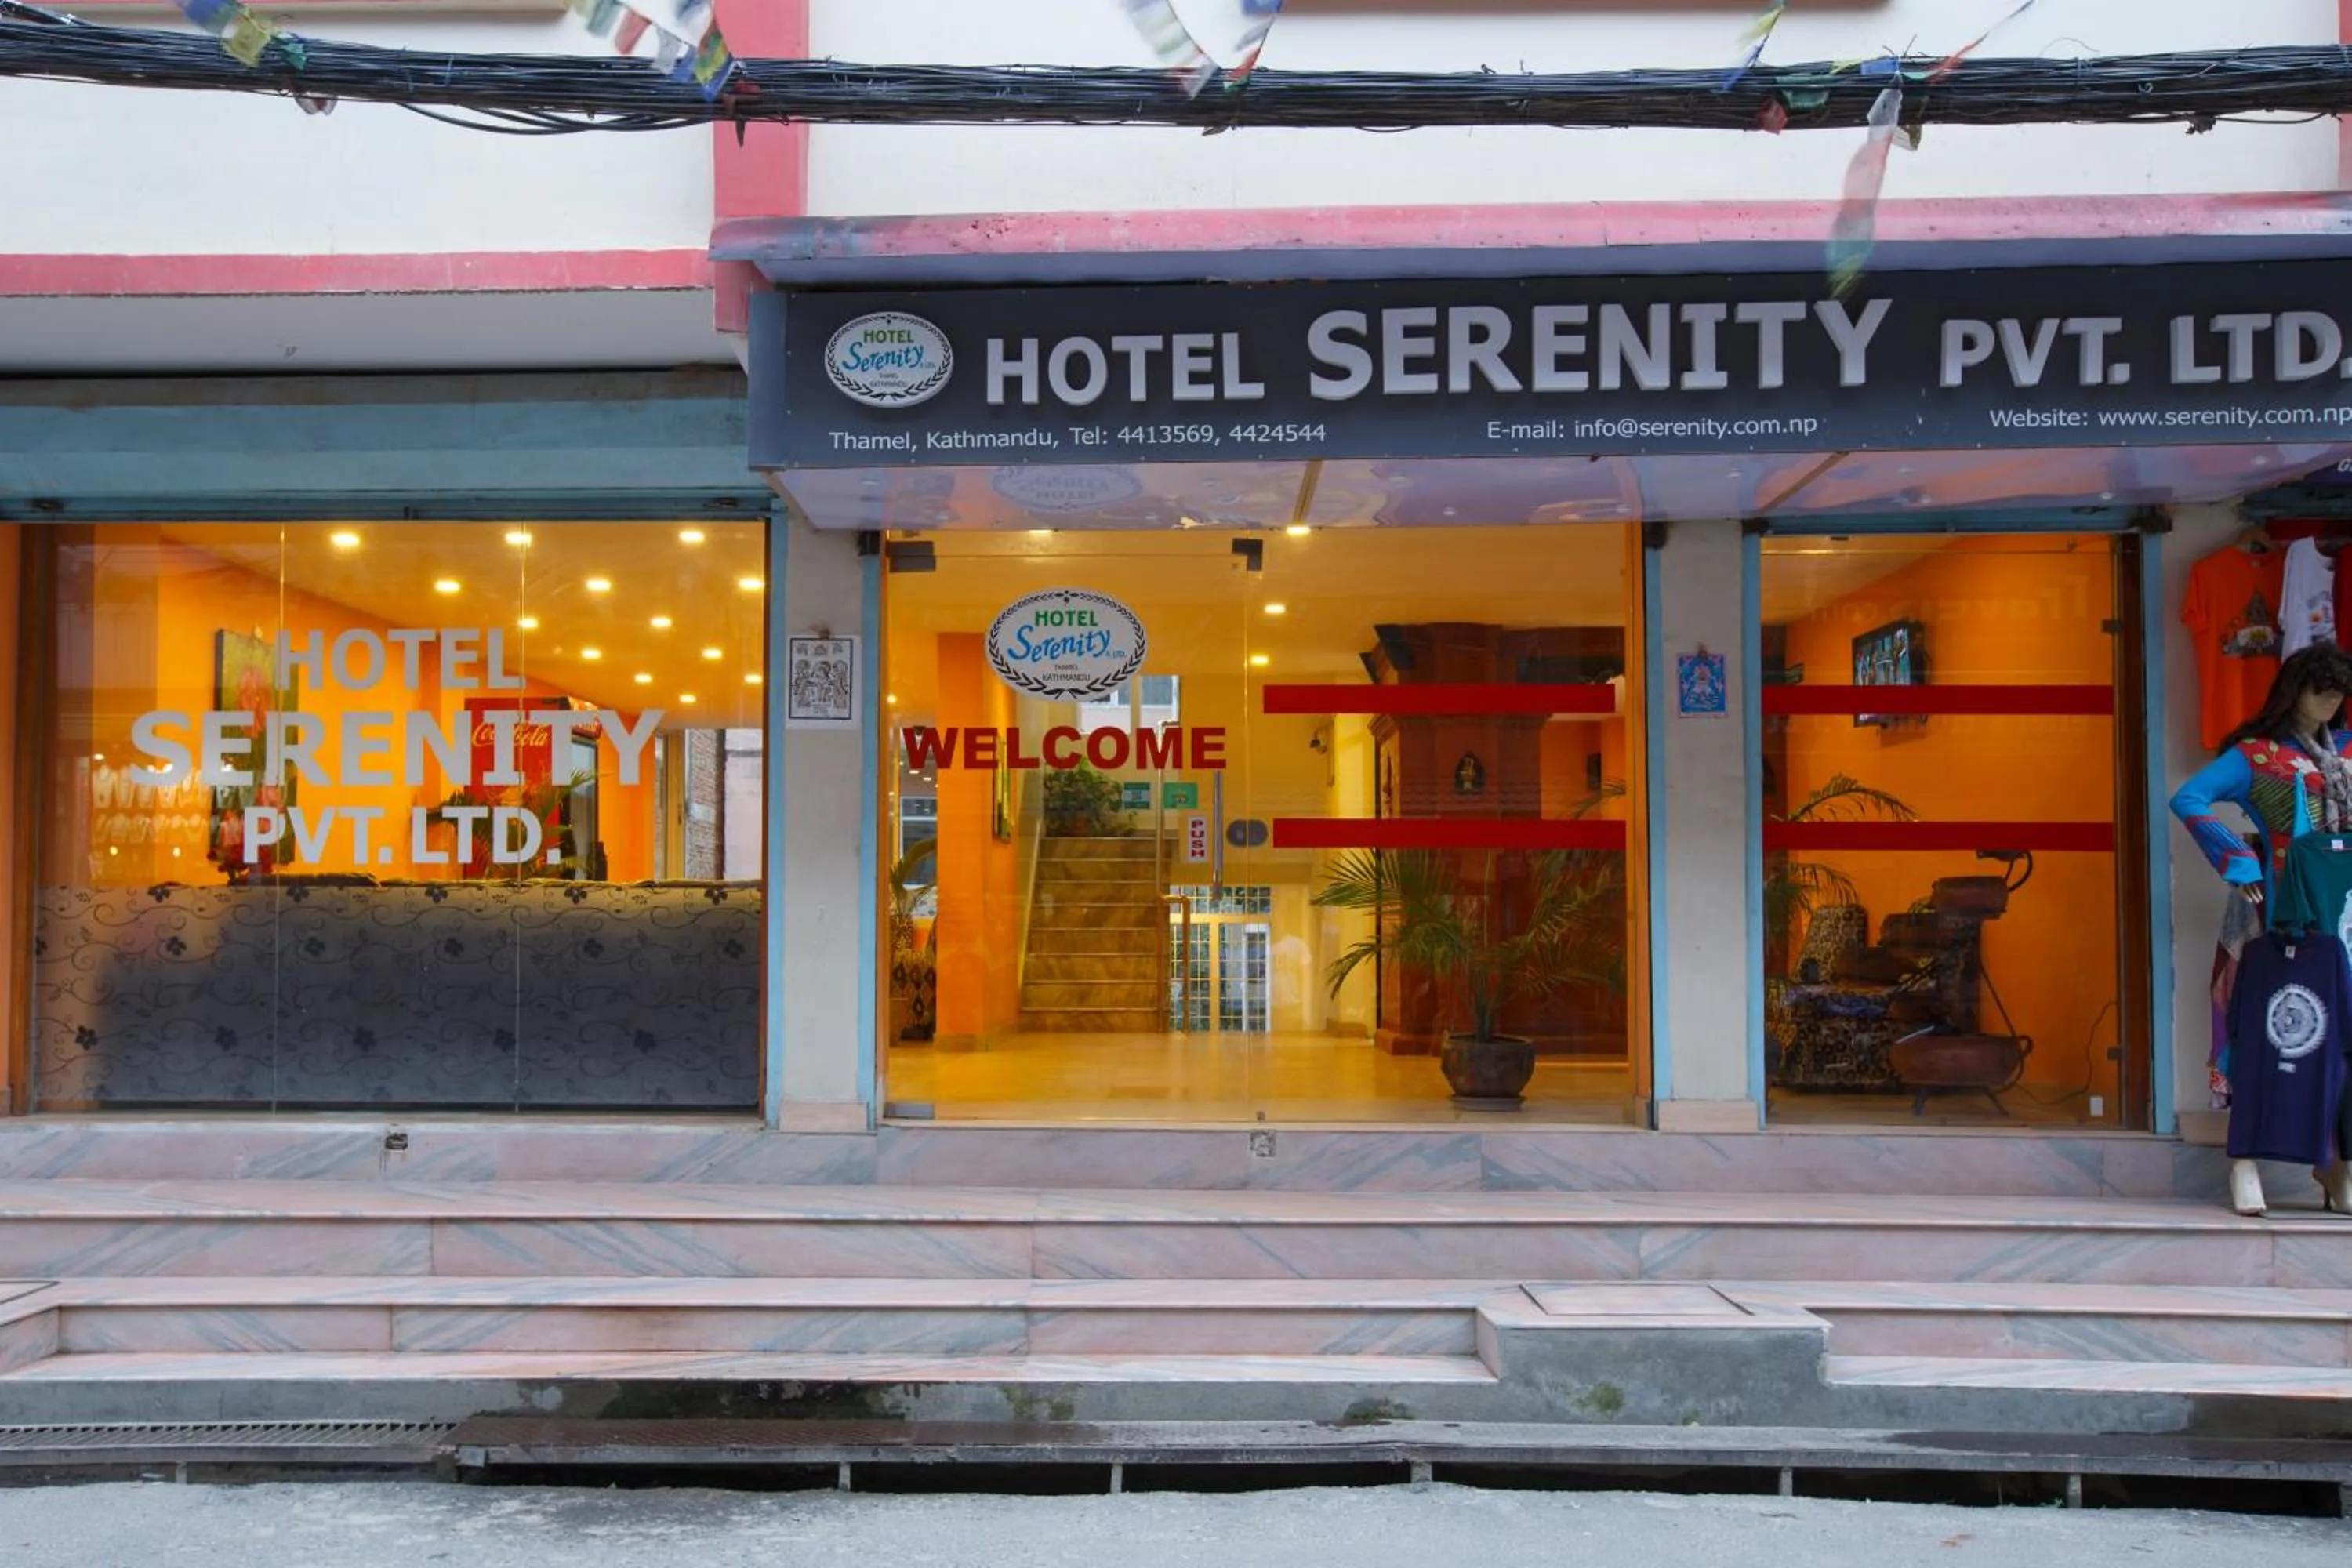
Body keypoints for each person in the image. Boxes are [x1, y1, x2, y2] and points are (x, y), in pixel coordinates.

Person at [2171, 644, 2352, 1216]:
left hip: (2344, 913)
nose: (2330, 699)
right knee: (2262, 1030)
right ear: (2294, 687)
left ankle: (2336, 1163)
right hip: (2273, 911)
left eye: (2338, 690)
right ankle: (2244, 1161)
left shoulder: (2348, 750)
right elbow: (2189, 796)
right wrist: (2235, 857)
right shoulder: (2258, 755)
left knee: (2345, 1038)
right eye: (2319, 686)